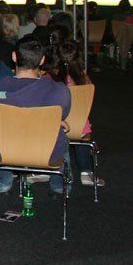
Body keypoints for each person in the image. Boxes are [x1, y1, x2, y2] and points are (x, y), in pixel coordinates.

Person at [0, 36, 72, 195]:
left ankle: (2, 183)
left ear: (14, 57)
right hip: (47, 149)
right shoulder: (59, 90)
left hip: (9, 148)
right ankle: (60, 186)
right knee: (62, 136)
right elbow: (63, 113)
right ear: (42, 60)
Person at [44, 40, 104, 188]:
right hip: (78, 126)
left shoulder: (48, 78)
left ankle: (44, 167)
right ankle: (86, 172)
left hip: (53, 126)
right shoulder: (84, 80)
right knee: (82, 129)